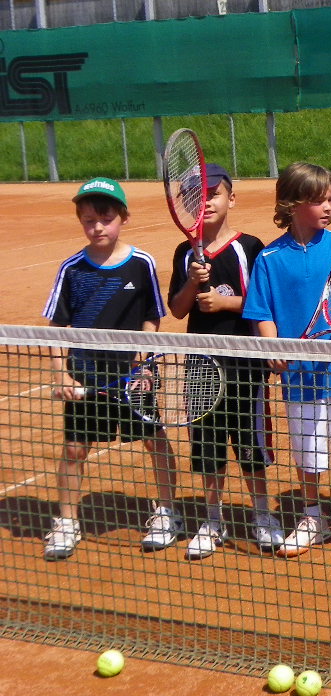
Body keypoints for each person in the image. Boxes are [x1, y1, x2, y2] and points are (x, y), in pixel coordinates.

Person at [243, 162, 331, 564]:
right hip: (300, 379)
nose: (329, 206)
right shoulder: (269, 258)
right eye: (320, 200)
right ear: (292, 203)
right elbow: (261, 313)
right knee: (308, 453)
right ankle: (312, 518)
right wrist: (272, 348)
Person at [42, 178, 176, 560]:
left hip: (134, 377)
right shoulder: (72, 269)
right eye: (89, 220)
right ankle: (67, 522)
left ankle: (168, 512)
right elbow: (57, 328)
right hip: (86, 375)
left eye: (105, 218)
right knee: (74, 449)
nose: (97, 226)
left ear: (123, 218)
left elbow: (152, 317)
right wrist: (62, 375)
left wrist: (144, 362)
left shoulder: (141, 263)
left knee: (155, 440)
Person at [167, 163, 284, 559]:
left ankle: (263, 514)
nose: (206, 202)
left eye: (214, 194)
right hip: (201, 366)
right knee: (208, 447)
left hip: (245, 366)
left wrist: (224, 302)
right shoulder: (185, 253)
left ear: (231, 199)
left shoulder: (250, 247)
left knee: (251, 446)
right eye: (197, 196)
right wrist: (192, 282)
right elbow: (178, 310)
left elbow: (263, 303)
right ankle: (212, 519)